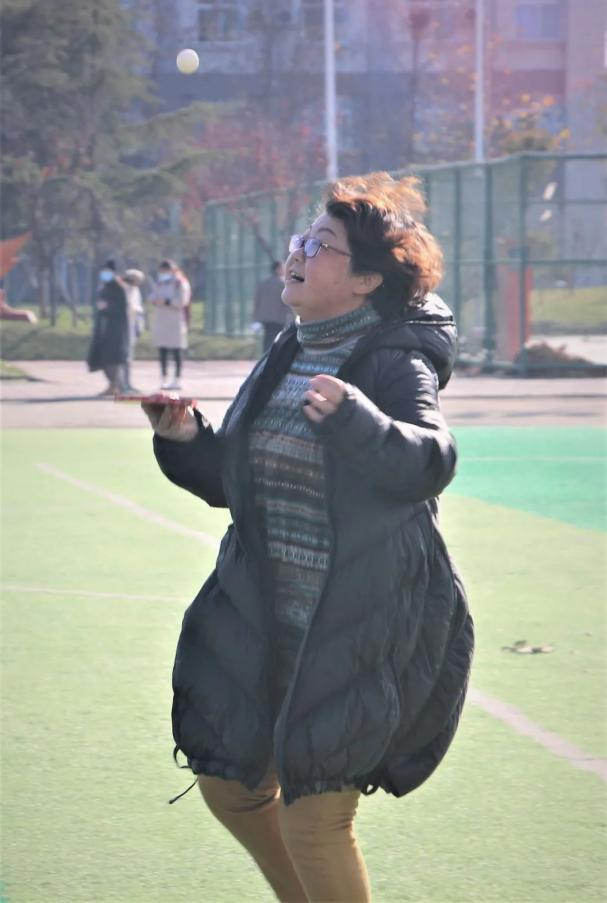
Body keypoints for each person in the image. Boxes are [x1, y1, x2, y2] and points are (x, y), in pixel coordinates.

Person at [142, 172, 474, 902]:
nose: (296, 252)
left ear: (364, 280)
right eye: (302, 239)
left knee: (315, 816)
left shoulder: (394, 359)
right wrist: (187, 437)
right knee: (231, 786)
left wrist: (360, 420)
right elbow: (237, 484)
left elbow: (431, 459)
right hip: (265, 610)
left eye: (321, 245)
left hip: (361, 616)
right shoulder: (289, 349)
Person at [86, 259, 129, 396]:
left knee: (112, 359)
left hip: (115, 329)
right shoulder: (104, 288)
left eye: (107, 271)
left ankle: (115, 385)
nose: (104, 274)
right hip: (103, 327)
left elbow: (122, 308)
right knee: (100, 358)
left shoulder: (119, 288)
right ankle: (113, 384)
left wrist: (107, 307)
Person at [148, 259, 191, 390]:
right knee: (162, 351)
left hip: (175, 321)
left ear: (172, 270)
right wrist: (155, 300)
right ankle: (164, 378)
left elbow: (183, 301)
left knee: (177, 350)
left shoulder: (180, 283)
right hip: (161, 321)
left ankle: (177, 380)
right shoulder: (160, 282)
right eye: (161, 271)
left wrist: (167, 301)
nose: (163, 273)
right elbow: (151, 296)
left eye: (165, 271)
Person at [253, 260, 287, 352]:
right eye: (283, 268)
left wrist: (256, 317)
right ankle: (275, 355)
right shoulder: (283, 283)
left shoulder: (263, 283)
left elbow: (257, 300)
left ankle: (266, 355)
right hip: (279, 316)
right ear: (277, 269)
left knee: (267, 337)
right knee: (278, 337)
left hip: (265, 317)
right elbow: (287, 301)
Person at [122, 268, 146, 393]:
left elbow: (138, 308)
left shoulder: (135, 290)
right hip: (123, 327)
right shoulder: (123, 289)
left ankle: (127, 383)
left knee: (128, 357)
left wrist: (139, 326)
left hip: (132, 326)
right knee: (124, 357)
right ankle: (122, 384)